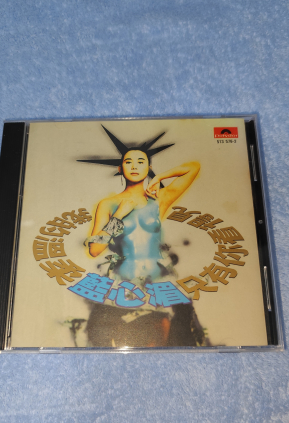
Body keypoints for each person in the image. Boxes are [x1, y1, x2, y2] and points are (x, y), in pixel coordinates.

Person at [79, 126, 204, 348]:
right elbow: (95, 249)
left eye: (141, 162)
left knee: (161, 347)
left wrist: (161, 177)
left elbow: (193, 167)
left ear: (149, 168)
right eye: (129, 162)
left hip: (156, 286)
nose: (135, 166)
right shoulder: (108, 204)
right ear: (120, 168)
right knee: (119, 346)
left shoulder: (159, 201)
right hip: (121, 288)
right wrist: (119, 215)